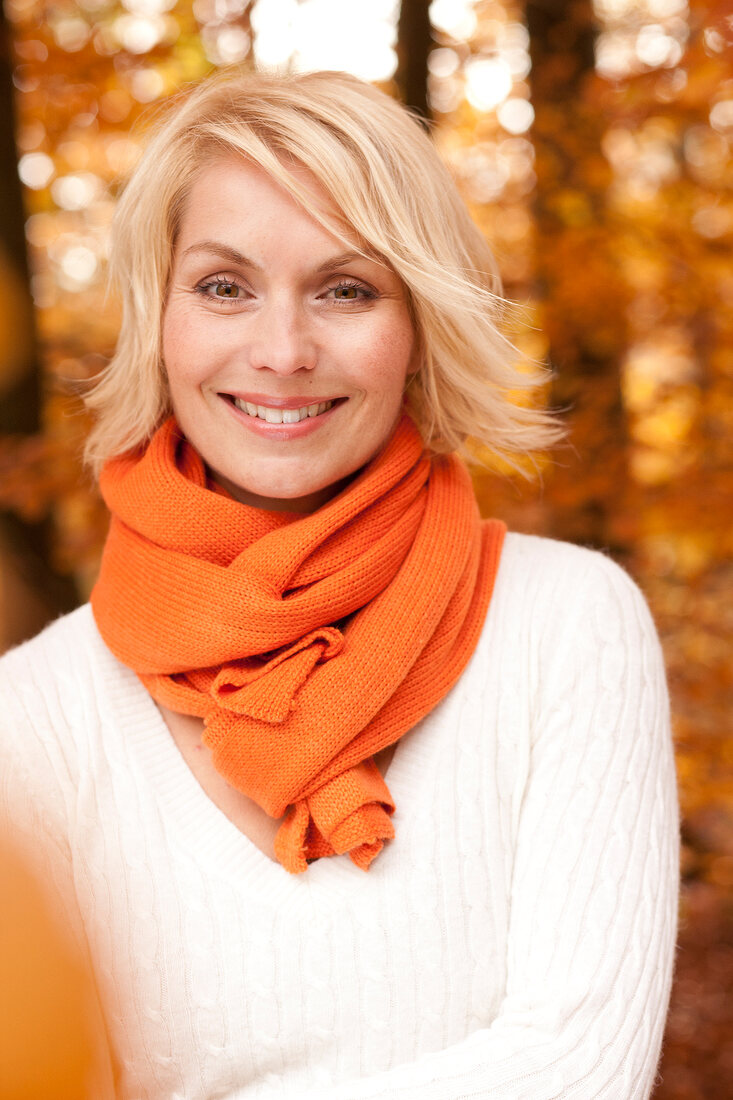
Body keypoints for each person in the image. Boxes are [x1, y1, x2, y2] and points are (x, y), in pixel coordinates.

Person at [0, 69, 679, 1099]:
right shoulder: (36, 713)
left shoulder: (567, 623)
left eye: (346, 288)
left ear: (418, 326)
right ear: (161, 317)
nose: (282, 350)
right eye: (224, 286)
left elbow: (579, 1066)